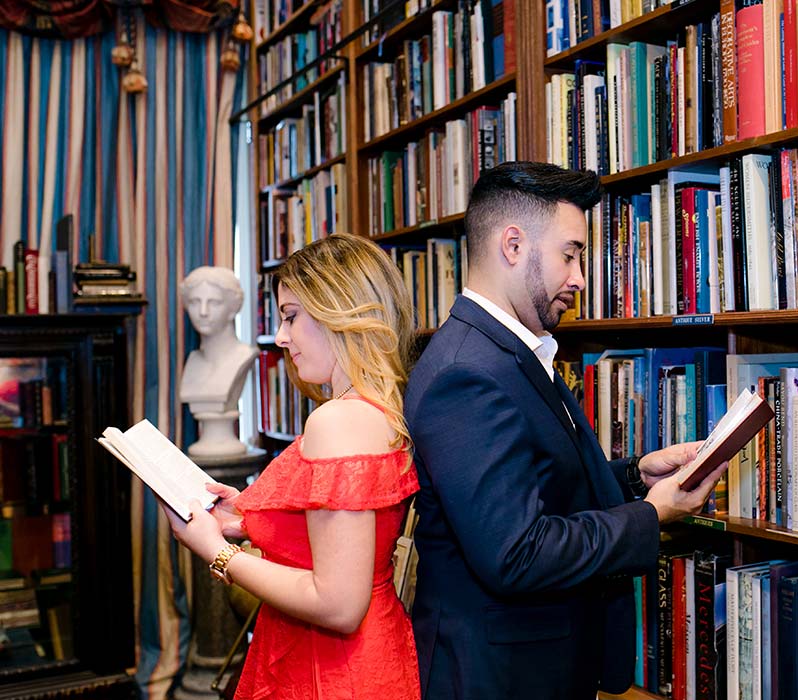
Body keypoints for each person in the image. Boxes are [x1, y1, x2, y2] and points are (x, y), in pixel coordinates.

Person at [404, 161, 730, 700]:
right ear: (513, 245)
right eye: (570, 254)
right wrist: (653, 514)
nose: (579, 278)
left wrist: (632, 475)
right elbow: (516, 553)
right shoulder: (467, 371)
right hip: (499, 679)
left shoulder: (509, 349)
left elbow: (533, 482)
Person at [161, 234, 422, 700]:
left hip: (331, 669)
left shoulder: (338, 420)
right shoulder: (376, 409)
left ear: (340, 310)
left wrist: (215, 550)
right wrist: (247, 520)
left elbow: (338, 603)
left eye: (291, 316)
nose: (281, 337)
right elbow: (344, 536)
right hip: (366, 655)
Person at [178, 266, 259, 457]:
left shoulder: (243, 357)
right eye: (195, 302)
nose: (203, 312)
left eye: (214, 302)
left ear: (232, 309)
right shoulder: (193, 362)